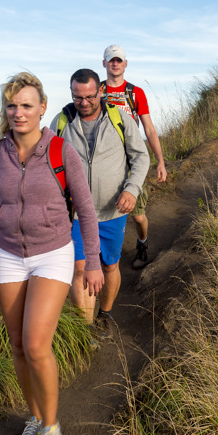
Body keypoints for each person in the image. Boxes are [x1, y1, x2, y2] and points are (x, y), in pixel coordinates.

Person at [0, 72, 101, 435]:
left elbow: (85, 209)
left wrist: (93, 264)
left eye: (27, 105)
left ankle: (51, 427)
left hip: (53, 253)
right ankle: (34, 418)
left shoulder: (60, 151)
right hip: (8, 255)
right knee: (17, 345)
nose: (18, 112)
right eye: (12, 105)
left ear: (42, 109)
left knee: (36, 344)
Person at [55, 68, 149, 337]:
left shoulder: (120, 119)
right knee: (80, 267)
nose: (84, 103)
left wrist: (132, 189)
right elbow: (48, 161)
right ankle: (87, 329)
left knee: (109, 265)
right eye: (77, 97)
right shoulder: (62, 121)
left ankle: (105, 315)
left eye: (89, 97)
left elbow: (141, 157)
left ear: (101, 91)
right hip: (75, 214)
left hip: (112, 210)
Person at [99, 44, 167, 270]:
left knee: (138, 215)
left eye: (119, 60)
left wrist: (160, 161)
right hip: (103, 159)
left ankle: (142, 243)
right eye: (111, 60)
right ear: (104, 64)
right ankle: (102, 254)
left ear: (125, 64)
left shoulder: (136, 93)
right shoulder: (96, 91)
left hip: (129, 159)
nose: (115, 64)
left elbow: (149, 129)